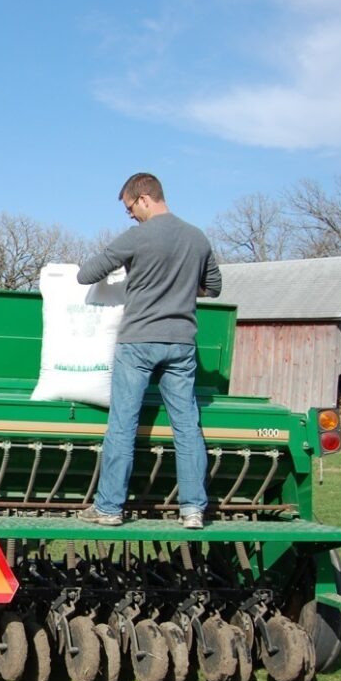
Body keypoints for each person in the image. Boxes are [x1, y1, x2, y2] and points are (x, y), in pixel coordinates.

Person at [76, 173, 222, 528]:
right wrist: (181, 287)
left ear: (144, 198)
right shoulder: (197, 237)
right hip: (182, 344)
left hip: (138, 342)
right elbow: (214, 287)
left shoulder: (138, 237)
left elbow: (86, 274)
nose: (129, 215)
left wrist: (135, 278)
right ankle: (192, 510)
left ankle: (109, 508)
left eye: (129, 208)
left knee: (123, 424)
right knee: (187, 426)